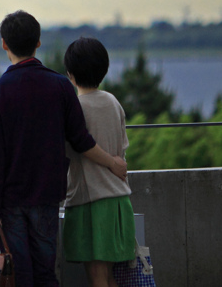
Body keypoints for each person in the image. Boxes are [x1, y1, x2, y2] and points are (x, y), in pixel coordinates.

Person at [0, 11, 128, 287]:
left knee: (20, 273)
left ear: (4, 44)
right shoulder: (60, 86)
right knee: (46, 272)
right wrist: (113, 162)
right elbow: (80, 139)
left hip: (10, 200)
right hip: (47, 194)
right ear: (38, 42)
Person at [61, 37, 136, 287]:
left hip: (90, 202)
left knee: (97, 279)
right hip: (117, 201)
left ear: (70, 74)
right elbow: (121, 152)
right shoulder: (113, 102)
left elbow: (73, 150)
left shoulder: (75, 107)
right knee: (108, 277)